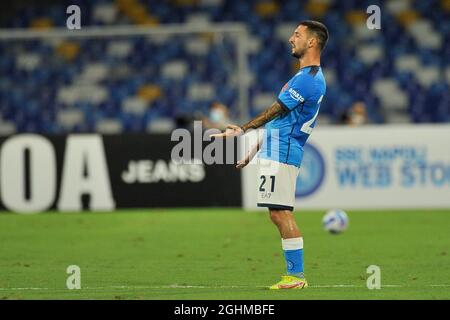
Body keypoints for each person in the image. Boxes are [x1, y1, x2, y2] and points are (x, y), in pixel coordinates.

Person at [211, 20, 328, 290]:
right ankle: (294, 276)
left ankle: (296, 277)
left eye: (297, 34)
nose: (291, 38)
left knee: (280, 212)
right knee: (277, 213)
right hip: (277, 146)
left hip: (284, 150)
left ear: (312, 42)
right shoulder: (304, 77)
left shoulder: (309, 80)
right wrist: (256, 146)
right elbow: (282, 120)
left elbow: (275, 110)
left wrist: (242, 128)